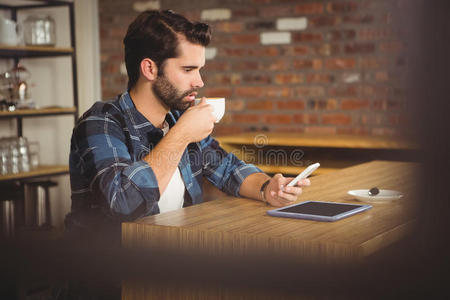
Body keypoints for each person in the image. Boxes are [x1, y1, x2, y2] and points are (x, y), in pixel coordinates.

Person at [65, 10, 311, 245]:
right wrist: (181, 134)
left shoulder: (177, 118)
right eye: (188, 69)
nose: (200, 81)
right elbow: (122, 204)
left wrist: (268, 188)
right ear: (149, 68)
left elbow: (228, 169)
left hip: (174, 263)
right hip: (113, 278)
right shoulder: (101, 123)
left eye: (199, 69)